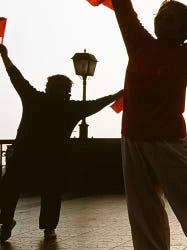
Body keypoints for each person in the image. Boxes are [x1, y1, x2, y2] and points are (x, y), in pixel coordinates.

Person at [111, 0, 187, 249]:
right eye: (161, 17)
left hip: (170, 143)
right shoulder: (138, 42)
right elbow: (123, 7)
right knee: (143, 213)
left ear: (184, 29)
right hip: (132, 139)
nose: (163, 22)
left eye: (171, 19)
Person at [0, 44, 122, 242]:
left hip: (23, 155)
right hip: (54, 159)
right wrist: (119, 94)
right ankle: (48, 229)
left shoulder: (33, 98)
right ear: (68, 92)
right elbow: (99, 103)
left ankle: (6, 223)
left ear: (47, 88)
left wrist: (4, 56)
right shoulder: (72, 109)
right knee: (51, 191)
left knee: (10, 188)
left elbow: (15, 76)